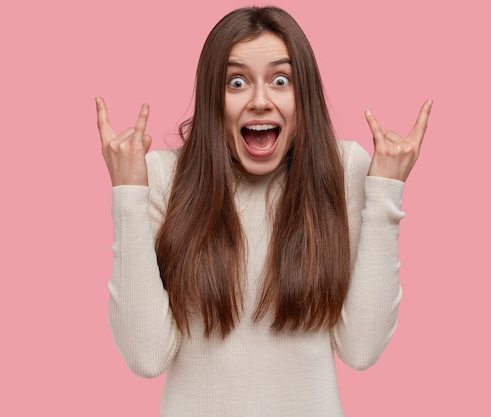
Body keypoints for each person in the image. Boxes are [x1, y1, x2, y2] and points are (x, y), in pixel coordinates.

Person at [96, 6, 431, 417]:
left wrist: (385, 192)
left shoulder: (344, 171)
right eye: (236, 82)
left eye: (280, 80)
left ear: (302, 95)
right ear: (213, 100)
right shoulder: (164, 177)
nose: (259, 100)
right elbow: (146, 357)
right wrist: (128, 194)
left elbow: (361, 349)